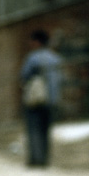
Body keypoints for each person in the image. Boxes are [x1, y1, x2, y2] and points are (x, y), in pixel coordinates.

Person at [20, 29, 62, 167]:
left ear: (37, 42)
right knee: (45, 131)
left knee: (34, 130)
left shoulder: (33, 58)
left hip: (36, 99)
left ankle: (36, 159)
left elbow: (25, 76)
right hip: (51, 100)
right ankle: (44, 159)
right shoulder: (55, 58)